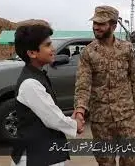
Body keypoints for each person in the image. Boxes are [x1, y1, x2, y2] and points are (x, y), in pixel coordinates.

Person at [73, 5, 135, 166]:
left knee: (132, 161)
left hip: (127, 116)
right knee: (105, 162)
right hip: (101, 119)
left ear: (113, 26)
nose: (96, 27)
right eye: (95, 23)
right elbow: (83, 84)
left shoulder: (127, 49)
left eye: (101, 24)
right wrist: (79, 111)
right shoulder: (88, 52)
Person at [10, 25, 84, 166]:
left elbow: (50, 112)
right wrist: (75, 124)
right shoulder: (30, 83)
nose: (53, 49)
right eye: (48, 45)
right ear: (32, 53)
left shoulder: (37, 75)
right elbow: (53, 119)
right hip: (37, 156)